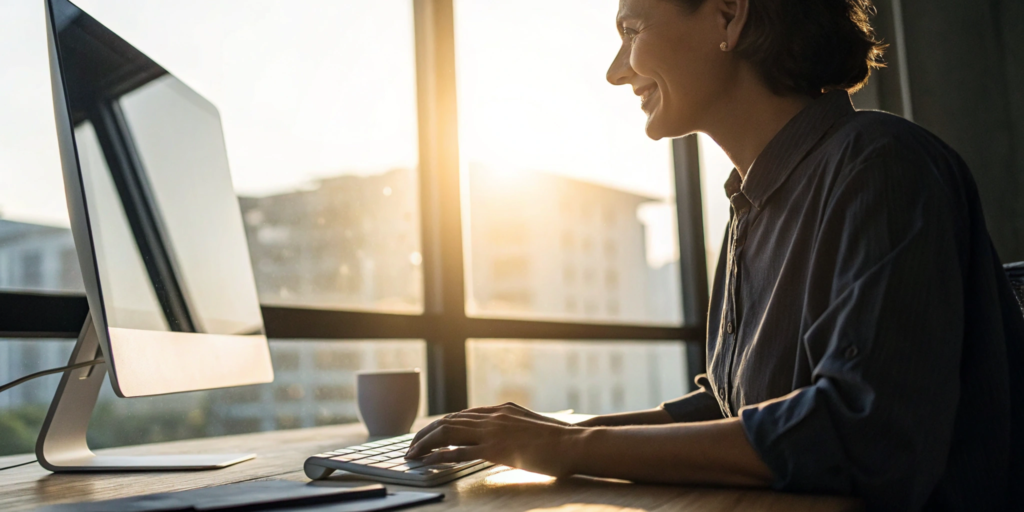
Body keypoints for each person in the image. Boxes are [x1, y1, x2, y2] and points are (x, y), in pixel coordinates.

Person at [404, 0, 1024, 509]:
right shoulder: (751, 206)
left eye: (632, 30)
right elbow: (733, 407)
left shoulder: (882, 165)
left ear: (729, 16)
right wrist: (557, 432)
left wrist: (569, 450)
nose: (617, 71)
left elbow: (860, 434)